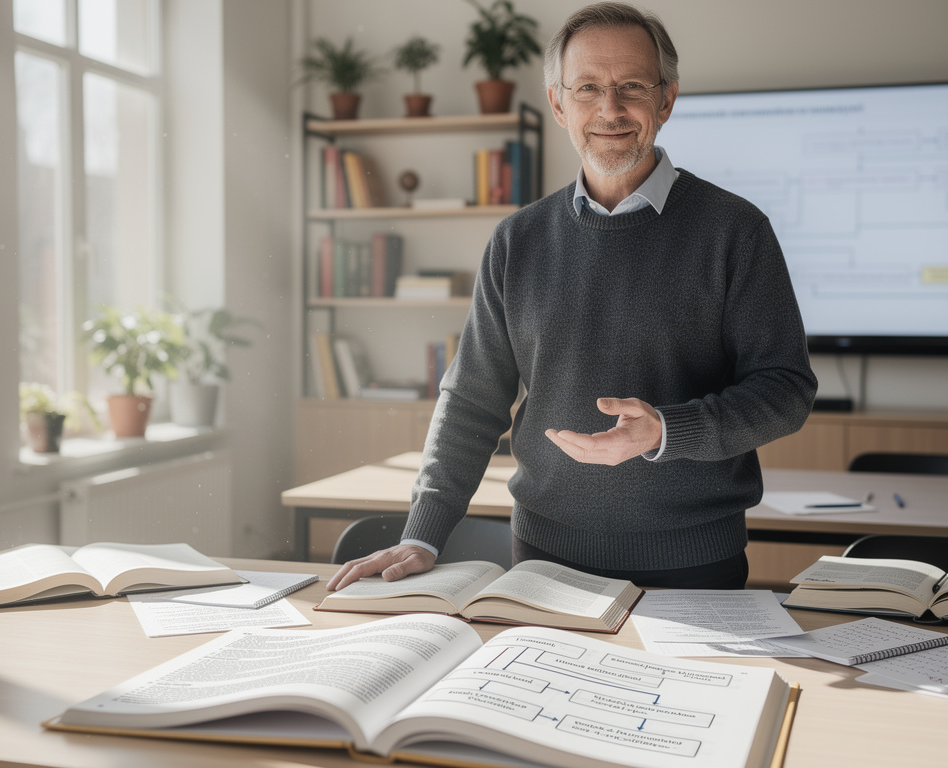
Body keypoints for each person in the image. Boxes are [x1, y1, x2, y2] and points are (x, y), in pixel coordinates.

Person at [327, 1, 816, 592]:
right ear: (558, 104)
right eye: (588, 88)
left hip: (695, 564)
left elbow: (785, 389)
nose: (610, 109)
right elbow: (472, 400)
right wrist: (422, 533)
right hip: (542, 560)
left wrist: (665, 430)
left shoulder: (736, 230)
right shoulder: (517, 240)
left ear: (667, 99)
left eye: (632, 86)